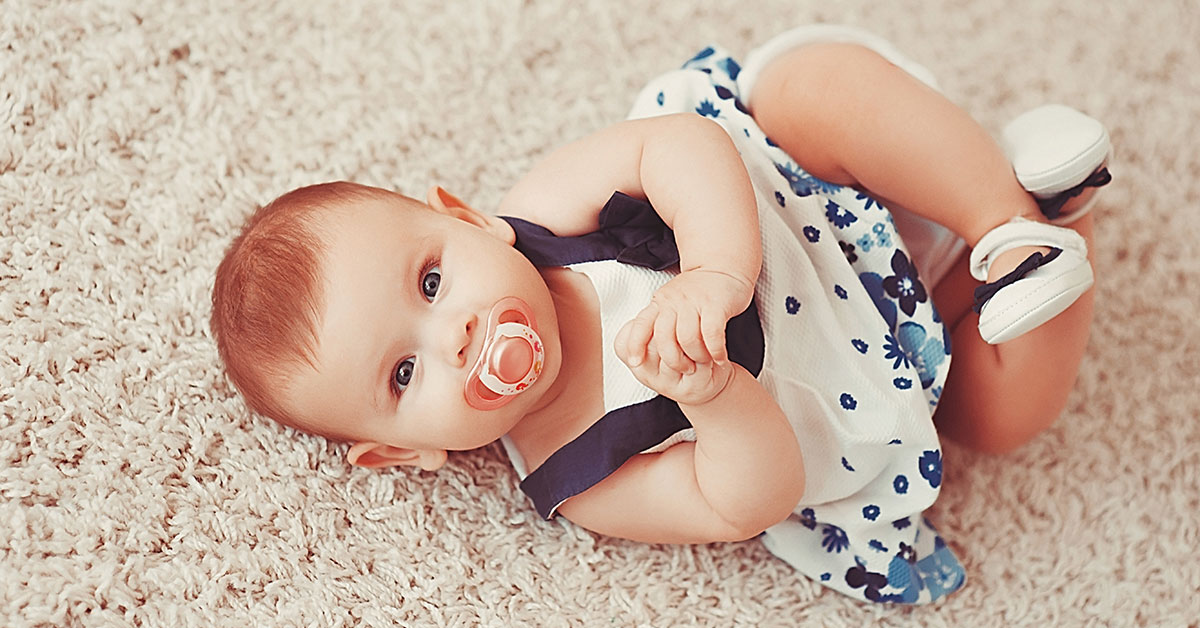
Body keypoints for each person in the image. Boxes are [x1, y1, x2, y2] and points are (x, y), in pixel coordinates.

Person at [210, 25, 1110, 604]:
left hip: (809, 199)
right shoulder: (582, 478)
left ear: (463, 219)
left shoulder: (542, 220)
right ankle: (1055, 227)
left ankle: (995, 215)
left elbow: (677, 145)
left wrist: (717, 271)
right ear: (403, 451)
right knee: (1000, 417)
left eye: (433, 281)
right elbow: (742, 501)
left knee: (806, 85)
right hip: (890, 367)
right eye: (405, 375)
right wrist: (719, 401)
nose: (456, 337)